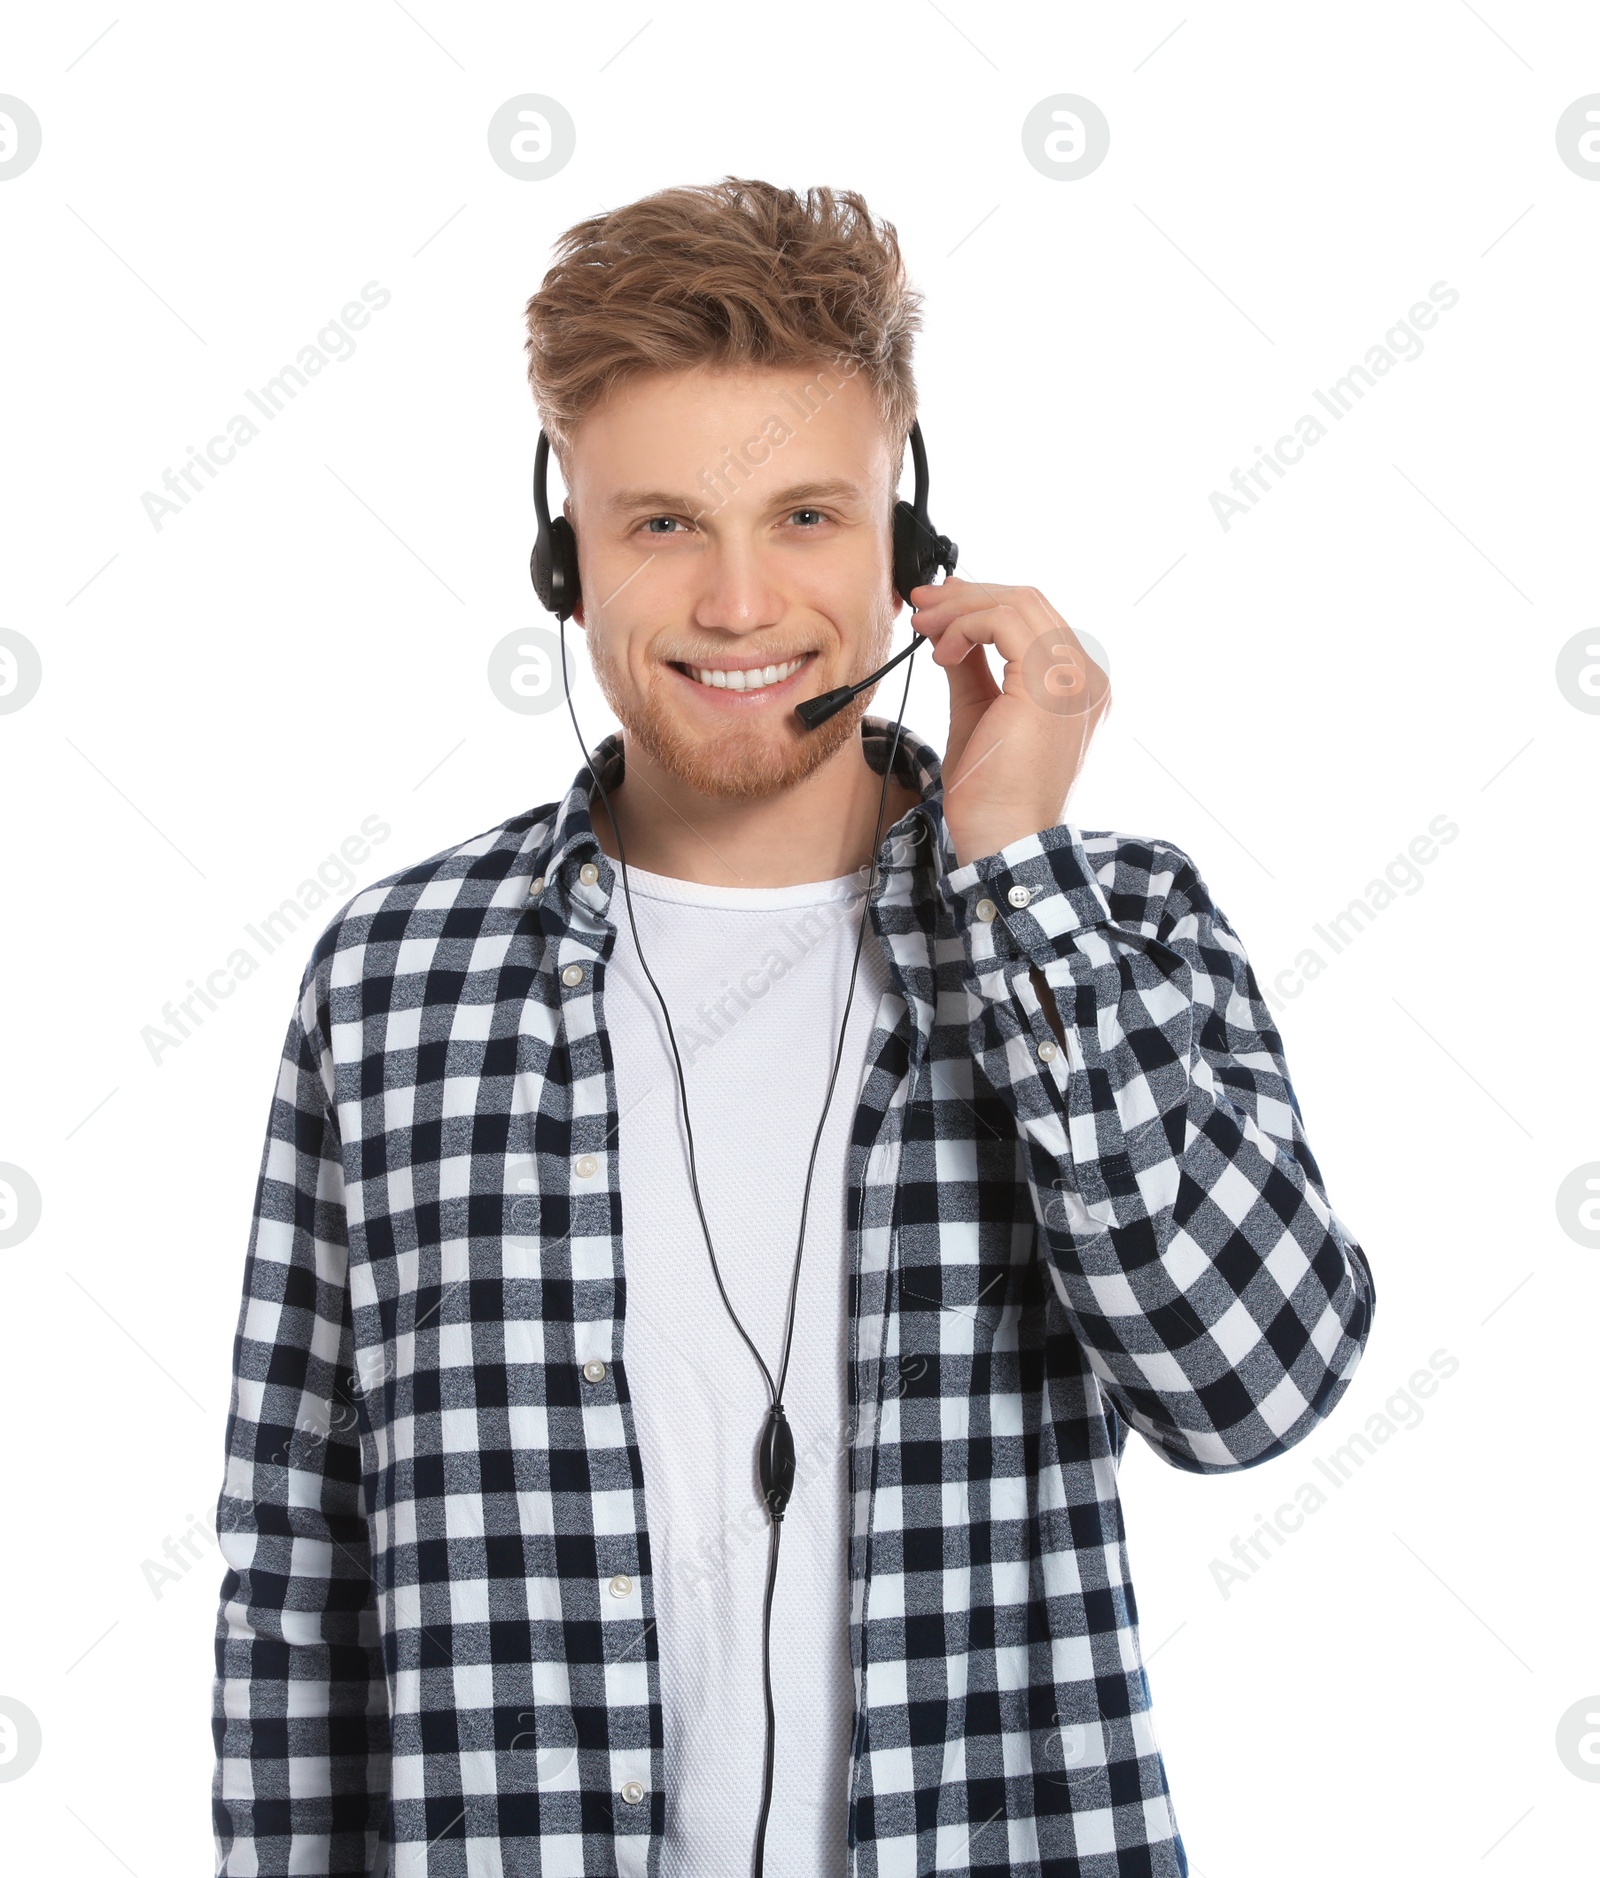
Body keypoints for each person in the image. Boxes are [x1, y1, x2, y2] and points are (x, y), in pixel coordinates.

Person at [212, 177, 1375, 1878]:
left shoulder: (1117, 925)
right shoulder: (392, 978)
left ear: (910, 545)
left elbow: (1252, 1390)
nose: (743, 604)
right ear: (567, 556)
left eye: (811, 516)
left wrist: (1016, 878)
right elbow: (298, 1578)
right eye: (665, 523)